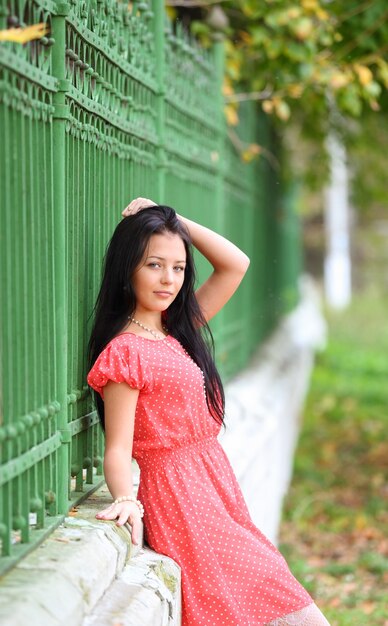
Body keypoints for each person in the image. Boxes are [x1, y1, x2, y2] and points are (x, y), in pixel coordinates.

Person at [87, 198, 331, 626]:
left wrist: (174, 219)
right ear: (127, 269)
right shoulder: (125, 353)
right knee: (262, 603)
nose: (168, 279)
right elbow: (118, 446)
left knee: (277, 595)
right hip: (180, 501)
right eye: (154, 265)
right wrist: (126, 499)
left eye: (178, 268)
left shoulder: (176, 332)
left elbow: (236, 264)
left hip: (215, 489)